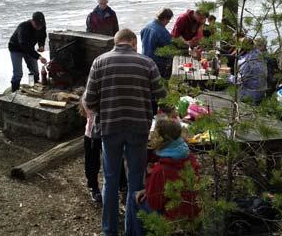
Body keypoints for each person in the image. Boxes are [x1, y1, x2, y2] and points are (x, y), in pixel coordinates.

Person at [83, 29, 166, 236]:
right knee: (135, 180)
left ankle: (109, 231)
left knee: (110, 179)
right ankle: (133, 231)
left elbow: (89, 100)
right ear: (133, 43)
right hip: (138, 128)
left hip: (110, 127)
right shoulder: (147, 63)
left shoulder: (99, 62)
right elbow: (162, 96)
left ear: (116, 42)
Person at [127, 118, 200, 235]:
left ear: (161, 139)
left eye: (155, 134)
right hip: (193, 212)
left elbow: (155, 203)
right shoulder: (189, 156)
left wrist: (150, 178)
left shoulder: (160, 170)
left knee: (134, 198)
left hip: (173, 219)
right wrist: (148, 189)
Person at [80, 100, 128, 204]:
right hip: (92, 134)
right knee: (92, 162)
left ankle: (123, 187)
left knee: (116, 160)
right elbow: (88, 106)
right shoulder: (90, 91)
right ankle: (93, 187)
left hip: (110, 132)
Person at [8, 12, 48, 92]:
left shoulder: (42, 26)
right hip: (16, 48)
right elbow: (24, 46)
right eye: (37, 25)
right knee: (18, 73)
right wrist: (38, 57)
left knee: (35, 71)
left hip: (29, 48)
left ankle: (33, 87)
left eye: (41, 25)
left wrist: (41, 45)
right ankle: (14, 92)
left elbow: (42, 36)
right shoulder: (23, 27)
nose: (39, 27)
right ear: (32, 21)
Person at [140, 8, 174, 78]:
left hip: (144, 60)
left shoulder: (146, 27)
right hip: (158, 64)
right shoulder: (163, 32)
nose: (168, 22)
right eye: (169, 20)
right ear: (165, 19)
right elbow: (169, 51)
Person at [237, 37, 268, 105]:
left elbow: (241, 79)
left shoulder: (248, 59)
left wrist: (228, 77)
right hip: (261, 93)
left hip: (250, 95)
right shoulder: (260, 56)